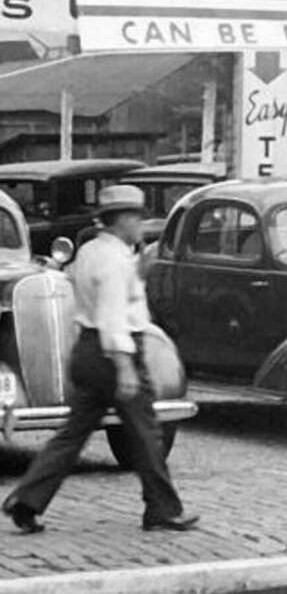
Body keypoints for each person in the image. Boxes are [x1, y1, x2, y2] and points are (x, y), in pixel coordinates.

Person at [2, 185, 198, 534]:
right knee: (146, 433)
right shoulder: (113, 261)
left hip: (86, 352)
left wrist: (137, 264)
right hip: (114, 354)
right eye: (137, 217)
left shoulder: (91, 252)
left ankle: (27, 500)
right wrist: (124, 367)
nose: (141, 224)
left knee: (71, 435)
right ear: (121, 219)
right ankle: (162, 509)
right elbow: (112, 317)